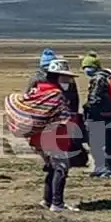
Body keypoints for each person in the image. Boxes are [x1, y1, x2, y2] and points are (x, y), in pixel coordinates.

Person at [28, 59, 82, 211]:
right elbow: (65, 119)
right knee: (61, 168)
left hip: (38, 137)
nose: (68, 81)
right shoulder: (56, 94)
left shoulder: (37, 91)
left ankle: (47, 200)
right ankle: (57, 203)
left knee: (52, 168)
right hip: (56, 137)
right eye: (65, 77)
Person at [82, 52, 111, 179]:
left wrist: (87, 110)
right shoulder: (108, 76)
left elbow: (94, 99)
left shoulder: (98, 79)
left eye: (87, 67)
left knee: (99, 143)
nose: (86, 70)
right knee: (108, 142)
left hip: (100, 116)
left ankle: (104, 169)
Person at [28, 48, 79, 112]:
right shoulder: (66, 78)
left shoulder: (35, 78)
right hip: (61, 111)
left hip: (40, 111)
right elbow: (74, 99)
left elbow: (28, 96)